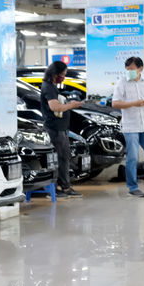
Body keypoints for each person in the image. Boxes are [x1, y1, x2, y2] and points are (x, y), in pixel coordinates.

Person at [112, 56, 144, 197]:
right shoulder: (122, 82)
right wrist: (134, 103)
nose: (129, 71)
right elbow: (115, 103)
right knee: (132, 158)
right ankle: (133, 187)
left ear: (140, 69)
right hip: (131, 125)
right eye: (127, 69)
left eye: (132, 69)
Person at [40, 61, 84, 198]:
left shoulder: (52, 86)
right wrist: (72, 105)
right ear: (55, 73)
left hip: (60, 128)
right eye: (63, 74)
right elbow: (55, 107)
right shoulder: (48, 87)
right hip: (55, 129)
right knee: (60, 159)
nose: (64, 77)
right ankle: (61, 187)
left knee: (63, 158)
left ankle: (63, 186)